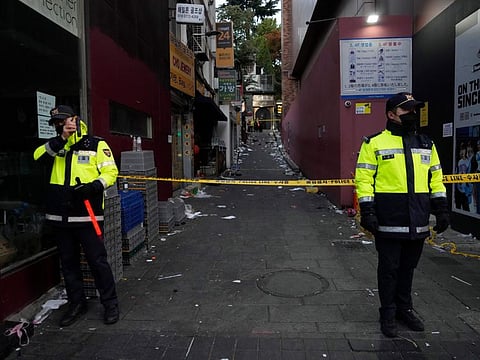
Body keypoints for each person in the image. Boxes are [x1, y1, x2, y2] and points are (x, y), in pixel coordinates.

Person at [355, 93, 449, 338]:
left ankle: (404, 310)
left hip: (416, 220)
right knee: (389, 270)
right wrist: (368, 211)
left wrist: (441, 210)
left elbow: (436, 179)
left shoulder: (426, 143)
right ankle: (387, 313)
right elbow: (364, 181)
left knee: (408, 269)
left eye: (414, 110)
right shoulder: (373, 143)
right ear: (391, 115)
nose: (413, 115)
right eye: (407, 111)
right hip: (388, 221)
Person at [34, 105, 120, 326]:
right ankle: (76, 304)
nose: (61, 125)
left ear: (75, 119)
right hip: (60, 218)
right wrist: (61, 138)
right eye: (57, 123)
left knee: (98, 262)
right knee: (69, 264)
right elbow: (38, 159)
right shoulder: (55, 146)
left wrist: (93, 187)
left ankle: (110, 304)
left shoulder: (96, 144)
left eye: (64, 121)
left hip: (87, 216)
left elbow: (111, 172)